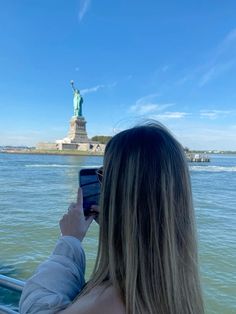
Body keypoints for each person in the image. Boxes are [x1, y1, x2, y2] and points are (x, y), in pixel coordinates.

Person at [19, 121, 204, 314]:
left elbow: (35, 306)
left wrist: (69, 241)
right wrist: (118, 224)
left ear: (117, 191)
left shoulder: (109, 301)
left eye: (103, 174)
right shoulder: (175, 285)